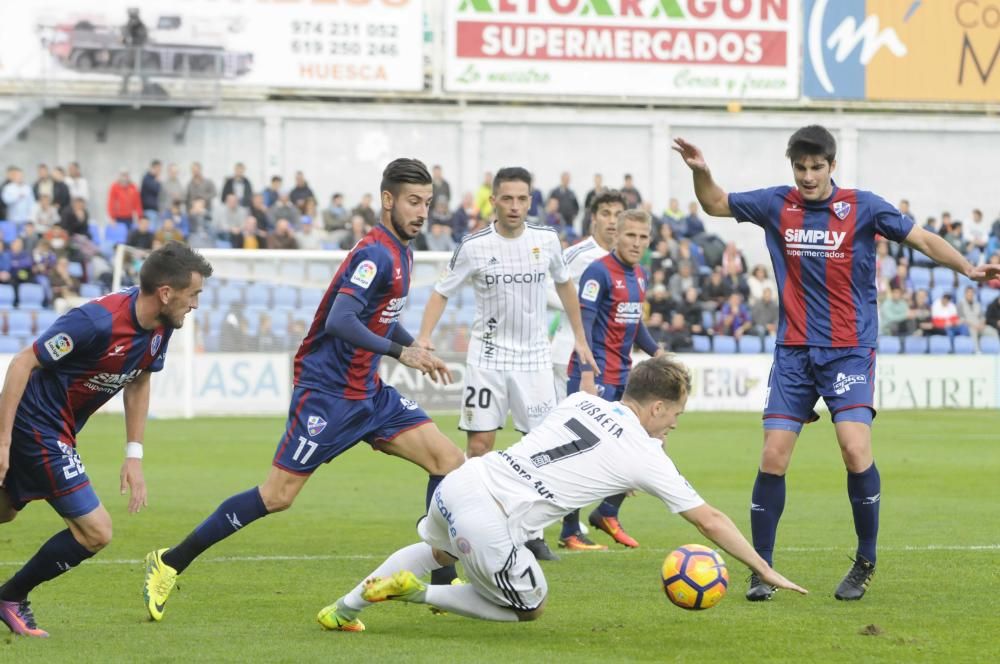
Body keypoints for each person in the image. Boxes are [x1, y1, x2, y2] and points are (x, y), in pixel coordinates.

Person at [673, 125, 1000, 602]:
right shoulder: (774, 204)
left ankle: (865, 559)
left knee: (853, 447)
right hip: (794, 352)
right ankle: (762, 568)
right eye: (800, 168)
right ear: (793, 167)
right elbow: (715, 203)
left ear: (831, 165)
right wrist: (701, 173)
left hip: (849, 348)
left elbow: (923, 240)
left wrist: (967, 268)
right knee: (773, 456)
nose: (807, 176)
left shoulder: (862, 206)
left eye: (816, 167)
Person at [142, 158, 465, 622]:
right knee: (277, 496)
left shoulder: (403, 250)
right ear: (387, 200)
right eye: (413, 202)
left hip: (369, 394)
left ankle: (441, 583)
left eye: (428, 203)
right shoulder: (374, 254)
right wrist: (401, 355)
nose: (422, 212)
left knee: (449, 462)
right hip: (328, 394)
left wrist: (416, 347)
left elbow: (383, 317)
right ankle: (170, 561)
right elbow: (340, 320)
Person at [315, 356, 807, 632]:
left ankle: (343, 608)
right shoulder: (646, 454)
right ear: (657, 407)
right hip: (493, 516)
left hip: (464, 480)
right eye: (675, 414)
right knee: (529, 607)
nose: (675, 423)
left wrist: (619, 476)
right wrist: (762, 567)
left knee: (435, 548)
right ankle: (417, 592)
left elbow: (574, 454)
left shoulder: (580, 400)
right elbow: (710, 519)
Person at [0, 243, 211, 638]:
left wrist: (134, 454)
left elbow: (140, 379)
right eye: (193, 294)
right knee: (96, 531)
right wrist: (3, 441)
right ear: (166, 293)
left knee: (6, 511)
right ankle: (11, 596)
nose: (196, 304)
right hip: (36, 426)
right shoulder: (95, 322)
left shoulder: (161, 328)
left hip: (60, 430)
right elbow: (22, 362)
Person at [417, 167, 598, 564]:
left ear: (530, 201)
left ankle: (532, 533)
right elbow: (440, 291)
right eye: (507, 198)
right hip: (487, 359)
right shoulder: (474, 246)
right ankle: (474, 525)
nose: (515, 206)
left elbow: (565, 284)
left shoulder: (547, 240)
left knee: (542, 448)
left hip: (533, 360)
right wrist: (425, 336)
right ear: (493, 201)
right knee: (479, 446)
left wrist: (580, 338)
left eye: (522, 198)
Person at [558, 208, 661, 552]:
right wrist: (587, 374)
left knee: (642, 444)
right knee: (580, 452)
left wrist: (658, 354)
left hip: (623, 376)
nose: (636, 242)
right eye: (629, 235)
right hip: (594, 375)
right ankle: (570, 530)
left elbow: (635, 326)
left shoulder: (641, 275)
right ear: (616, 235)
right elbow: (584, 325)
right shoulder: (598, 272)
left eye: (642, 237)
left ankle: (607, 511)